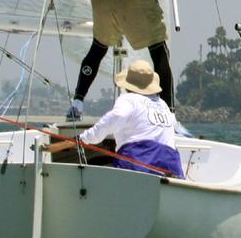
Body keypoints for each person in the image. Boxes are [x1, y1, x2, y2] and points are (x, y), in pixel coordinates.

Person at [48, 60, 183, 178]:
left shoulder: (128, 99)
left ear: (128, 84)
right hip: (172, 167)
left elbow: (113, 120)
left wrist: (81, 139)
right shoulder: (162, 104)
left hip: (138, 165)